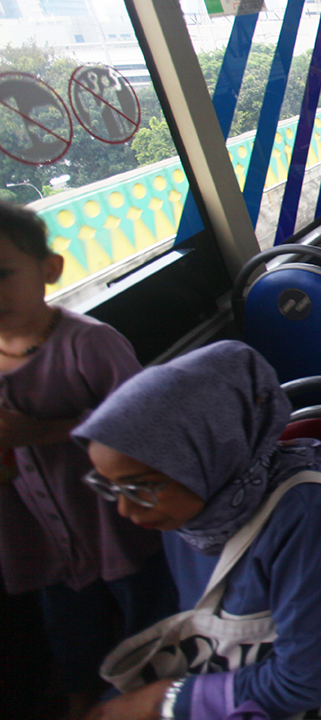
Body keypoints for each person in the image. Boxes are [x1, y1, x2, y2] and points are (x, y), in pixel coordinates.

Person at [74, 342, 321, 720]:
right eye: (113, 488)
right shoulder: (186, 507)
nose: (125, 510)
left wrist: (166, 698)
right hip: (243, 664)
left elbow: (305, 678)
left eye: (139, 487)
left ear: (203, 454)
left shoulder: (302, 507)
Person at [0, 201, 173, 720]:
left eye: (3, 274)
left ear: (49, 269)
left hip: (120, 527)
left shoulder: (90, 346)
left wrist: (42, 432)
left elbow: (145, 425)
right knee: (71, 638)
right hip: (45, 540)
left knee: (150, 631)